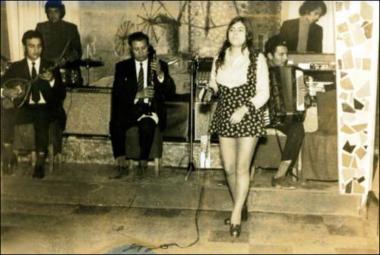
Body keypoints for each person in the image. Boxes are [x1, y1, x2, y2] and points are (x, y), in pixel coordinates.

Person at [205, 16, 269, 237]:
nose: (235, 33)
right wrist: (209, 90)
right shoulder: (219, 58)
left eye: (240, 30)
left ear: (247, 34)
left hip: (248, 113)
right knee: (229, 168)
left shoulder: (257, 58)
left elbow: (264, 93)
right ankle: (240, 206)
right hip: (225, 114)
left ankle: (235, 216)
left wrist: (244, 109)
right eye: (232, 29)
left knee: (242, 167)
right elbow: (214, 83)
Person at [109, 32, 176, 179]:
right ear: (130, 50)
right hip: (131, 109)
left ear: (149, 47)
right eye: (136, 49)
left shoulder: (159, 65)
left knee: (147, 125)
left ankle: (143, 161)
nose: (140, 52)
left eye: (143, 48)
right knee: (116, 122)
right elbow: (118, 94)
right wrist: (138, 94)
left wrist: (160, 74)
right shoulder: (122, 67)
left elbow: (171, 91)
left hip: (150, 110)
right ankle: (120, 157)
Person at [0, 30, 65, 178]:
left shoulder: (51, 67)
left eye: (39, 46)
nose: (36, 50)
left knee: (41, 116)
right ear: (25, 47)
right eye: (31, 46)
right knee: (5, 113)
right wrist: (6, 92)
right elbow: (2, 85)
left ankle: (40, 162)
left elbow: (62, 94)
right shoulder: (16, 67)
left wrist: (52, 80)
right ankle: (8, 155)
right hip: (24, 107)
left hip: (46, 108)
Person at [36, 0, 83, 159]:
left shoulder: (71, 29)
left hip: (65, 74)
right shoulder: (40, 28)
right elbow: (36, 51)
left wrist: (67, 59)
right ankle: (49, 147)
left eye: (56, 11)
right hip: (45, 73)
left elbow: (78, 52)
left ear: (61, 12)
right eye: (49, 11)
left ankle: (57, 147)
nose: (52, 14)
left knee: (58, 107)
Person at [264, 35, 306, 189]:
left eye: (286, 54)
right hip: (265, 117)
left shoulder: (297, 73)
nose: (285, 58)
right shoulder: (262, 73)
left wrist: (304, 96)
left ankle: (280, 176)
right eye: (281, 54)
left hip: (284, 118)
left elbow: (302, 101)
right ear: (270, 55)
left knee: (298, 129)